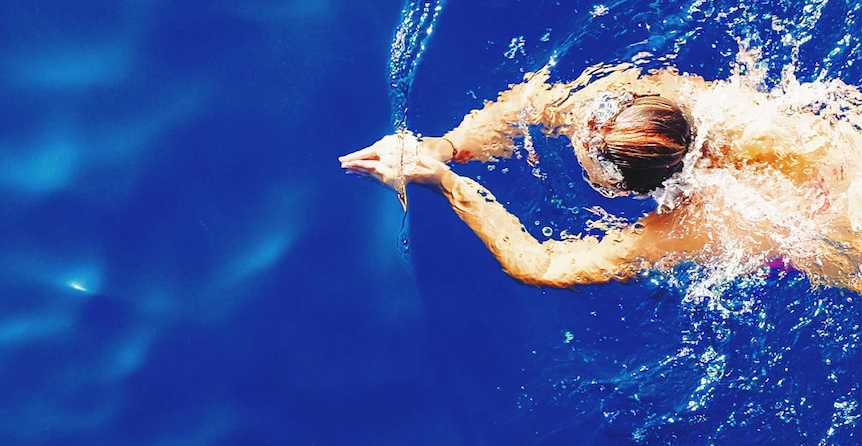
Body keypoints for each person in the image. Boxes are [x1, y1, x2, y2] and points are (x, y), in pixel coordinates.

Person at [340, 60, 862, 293]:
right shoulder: (693, 104)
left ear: (620, 187)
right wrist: (446, 146)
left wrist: (444, 181)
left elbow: (542, 266)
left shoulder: (695, 223)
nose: (577, 120)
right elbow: (538, 100)